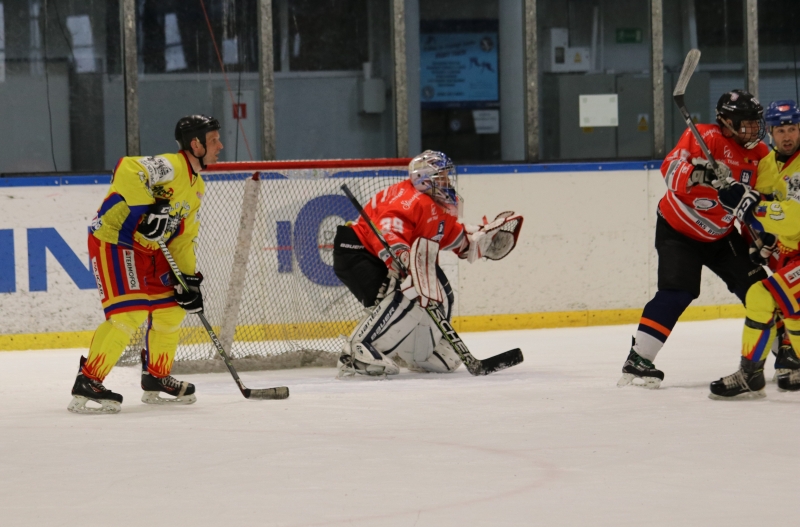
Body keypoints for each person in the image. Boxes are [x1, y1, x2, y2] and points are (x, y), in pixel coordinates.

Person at [68, 115, 223, 414]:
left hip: (151, 250)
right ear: (196, 144)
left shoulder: (197, 187)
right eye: (214, 140)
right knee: (129, 313)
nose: (220, 146)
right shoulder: (171, 165)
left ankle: (156, 375)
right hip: (116, 238)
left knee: (172, 310)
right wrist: (149, 208)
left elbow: (183, 238)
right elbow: (126, 168)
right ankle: (88, 380)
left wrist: (187, 280)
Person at [618, 90, 770, 389]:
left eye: (756, 121)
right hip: (678, 230)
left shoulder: (761, 154)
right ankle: (638, 359)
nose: (754, 128)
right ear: (726, 122)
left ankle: (788, 356)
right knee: (677, 292)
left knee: (759, 291)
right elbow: (670, 168)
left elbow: (758, 202)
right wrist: (700, 174)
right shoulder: (705, 136)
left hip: (722, 235)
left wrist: (757, 236)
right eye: (746, 122)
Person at [332, 150, 522, 377]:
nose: (448, 181)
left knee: (436, 287)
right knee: (411, 292)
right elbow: (389, 230)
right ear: (425, 178)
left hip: (378, 255)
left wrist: (480, 243)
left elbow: (452, 236)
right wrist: (402, 256)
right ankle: (357, 351)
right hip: (358, 253)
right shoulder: (409, 200)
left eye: (447, 175)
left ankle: (422, 354)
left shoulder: (437, 205)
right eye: (442, 176)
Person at [709, 100, 800, 398]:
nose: (788, 136)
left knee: (765, 297)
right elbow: (762, 208)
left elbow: (793, 216)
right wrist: (761, 237)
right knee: (772, 303)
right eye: (781, 130)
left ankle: (753, 374)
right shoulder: (767, 165)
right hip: (790, 255)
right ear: (770, 132)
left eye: (793, 128)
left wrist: (751, 206)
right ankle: (754, 374)